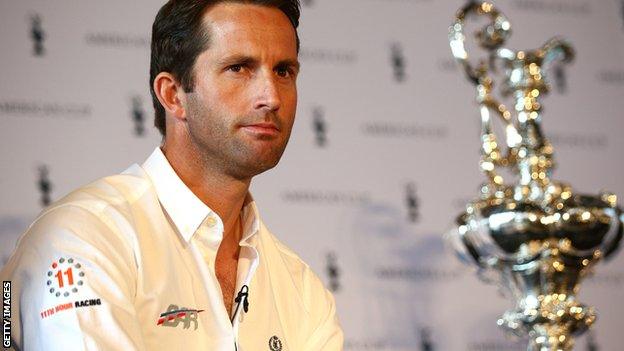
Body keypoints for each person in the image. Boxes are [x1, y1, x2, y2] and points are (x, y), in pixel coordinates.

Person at [0, 1, 344, 350]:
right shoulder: (84, 237)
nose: (271, 97)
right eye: (239, 68)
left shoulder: (303, 289)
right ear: (173, 95)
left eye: (284, 71)